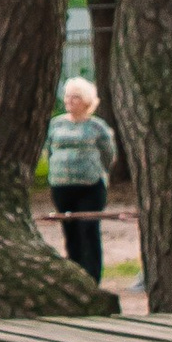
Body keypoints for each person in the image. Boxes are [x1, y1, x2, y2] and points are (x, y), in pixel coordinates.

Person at [43, 75, 117, 283]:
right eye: (67, 97)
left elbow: (108, 154)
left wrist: (98, 171)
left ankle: (93, 276)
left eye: (75, 97)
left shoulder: (97, 127)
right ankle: (75, 276)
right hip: (61, 186)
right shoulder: (55, 125)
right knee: (70, 232)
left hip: (90, 187)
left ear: (85, 101)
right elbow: (49, 150)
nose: (69, 101)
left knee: (88, 229)